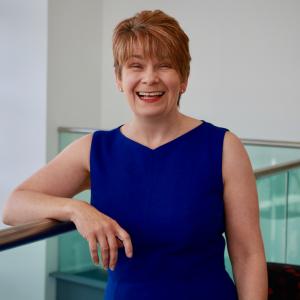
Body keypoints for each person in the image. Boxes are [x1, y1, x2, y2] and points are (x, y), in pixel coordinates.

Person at [2, 9, 268, 300]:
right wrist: (78, 210)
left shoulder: (224, 147)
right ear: (119, 78)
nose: (150, 78)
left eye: (164, 66)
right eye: (136, 66)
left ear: (184, 79)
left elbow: (248, 256)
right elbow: (14, 206)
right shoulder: (95, 149)